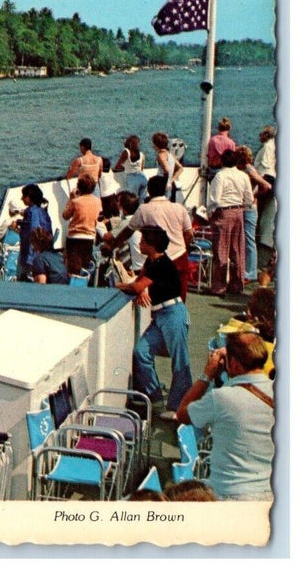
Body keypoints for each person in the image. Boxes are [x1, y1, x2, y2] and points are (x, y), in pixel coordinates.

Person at [176, 332, 274, 501]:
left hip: (228, 493)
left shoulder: (220, 398)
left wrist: (207, 374)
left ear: (234, 364)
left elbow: (182, 413)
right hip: (270, 493)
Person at [116, 226, 192, 421]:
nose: (139, 245)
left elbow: (137, 286)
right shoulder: (151, 263)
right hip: (160, 316)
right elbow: (141, 283)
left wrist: (123, 286)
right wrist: (139, 289)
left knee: (180, 361)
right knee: (141, 352)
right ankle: (155, 397)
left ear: (151, 245)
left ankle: (179, 407)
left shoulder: (161, 264)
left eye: (142, 242)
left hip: (173, 314)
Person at [103, 176, 192, 301]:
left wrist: (112, 246)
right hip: (180, 257)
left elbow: (127, 232)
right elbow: (189, 234)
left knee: (157, 298)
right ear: (165, 189)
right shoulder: (179, 208)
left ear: (149, 191)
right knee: (180, 298)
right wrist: (183, 248)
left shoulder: (144, 209)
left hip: (158, 260)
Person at [207, 149, 253, 298]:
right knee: (237, 250)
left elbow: (215, 199)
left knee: (221, 250)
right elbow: (249, 198)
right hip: (239, 212)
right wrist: (243, 207)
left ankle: (219, 286)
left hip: (223, 212)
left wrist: (209, 213)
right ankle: (236, 283)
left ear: (222, 161)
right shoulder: (243, 176)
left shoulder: (220, 176)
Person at [233, 146, 272, 282]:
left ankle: (250, 272)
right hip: (245, 207)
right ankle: (245, 269)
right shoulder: (244, 169)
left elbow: (266, 185)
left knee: (249, 239)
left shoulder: (249, 170)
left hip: (249, 208)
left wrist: (254, 195)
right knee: (244, 239)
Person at [62, 174, 101, 276]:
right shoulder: (97, 202)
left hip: (74, 237)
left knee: (72, 269)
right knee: (84, 266)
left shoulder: (76, 202)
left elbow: (65, 215)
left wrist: (71, 199)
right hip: (89, 237)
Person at [14, 184, 53, 282]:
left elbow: (33, 234)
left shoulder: (32, 212)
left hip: (31, 256)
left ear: (30, 197)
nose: (22, 198)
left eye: (24, 196)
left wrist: (29, 260)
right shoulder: (42, 211)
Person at [253, 125, 276, 272]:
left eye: (261, 134)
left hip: (265, 181)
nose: (259, 136)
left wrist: (256, 190)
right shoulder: (272, 146)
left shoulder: (268, 147)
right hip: (267, 181)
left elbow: (266, 168)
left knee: (260, 219)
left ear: (266, 135)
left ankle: (262, 257)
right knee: (260, 220)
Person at [152, 131, 182, 199]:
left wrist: (165, 183)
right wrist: (171, 180)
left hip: (162, 184)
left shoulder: (161, 155)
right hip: (170, 184)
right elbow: (180, 168)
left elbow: (166, 169)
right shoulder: (170, 154)